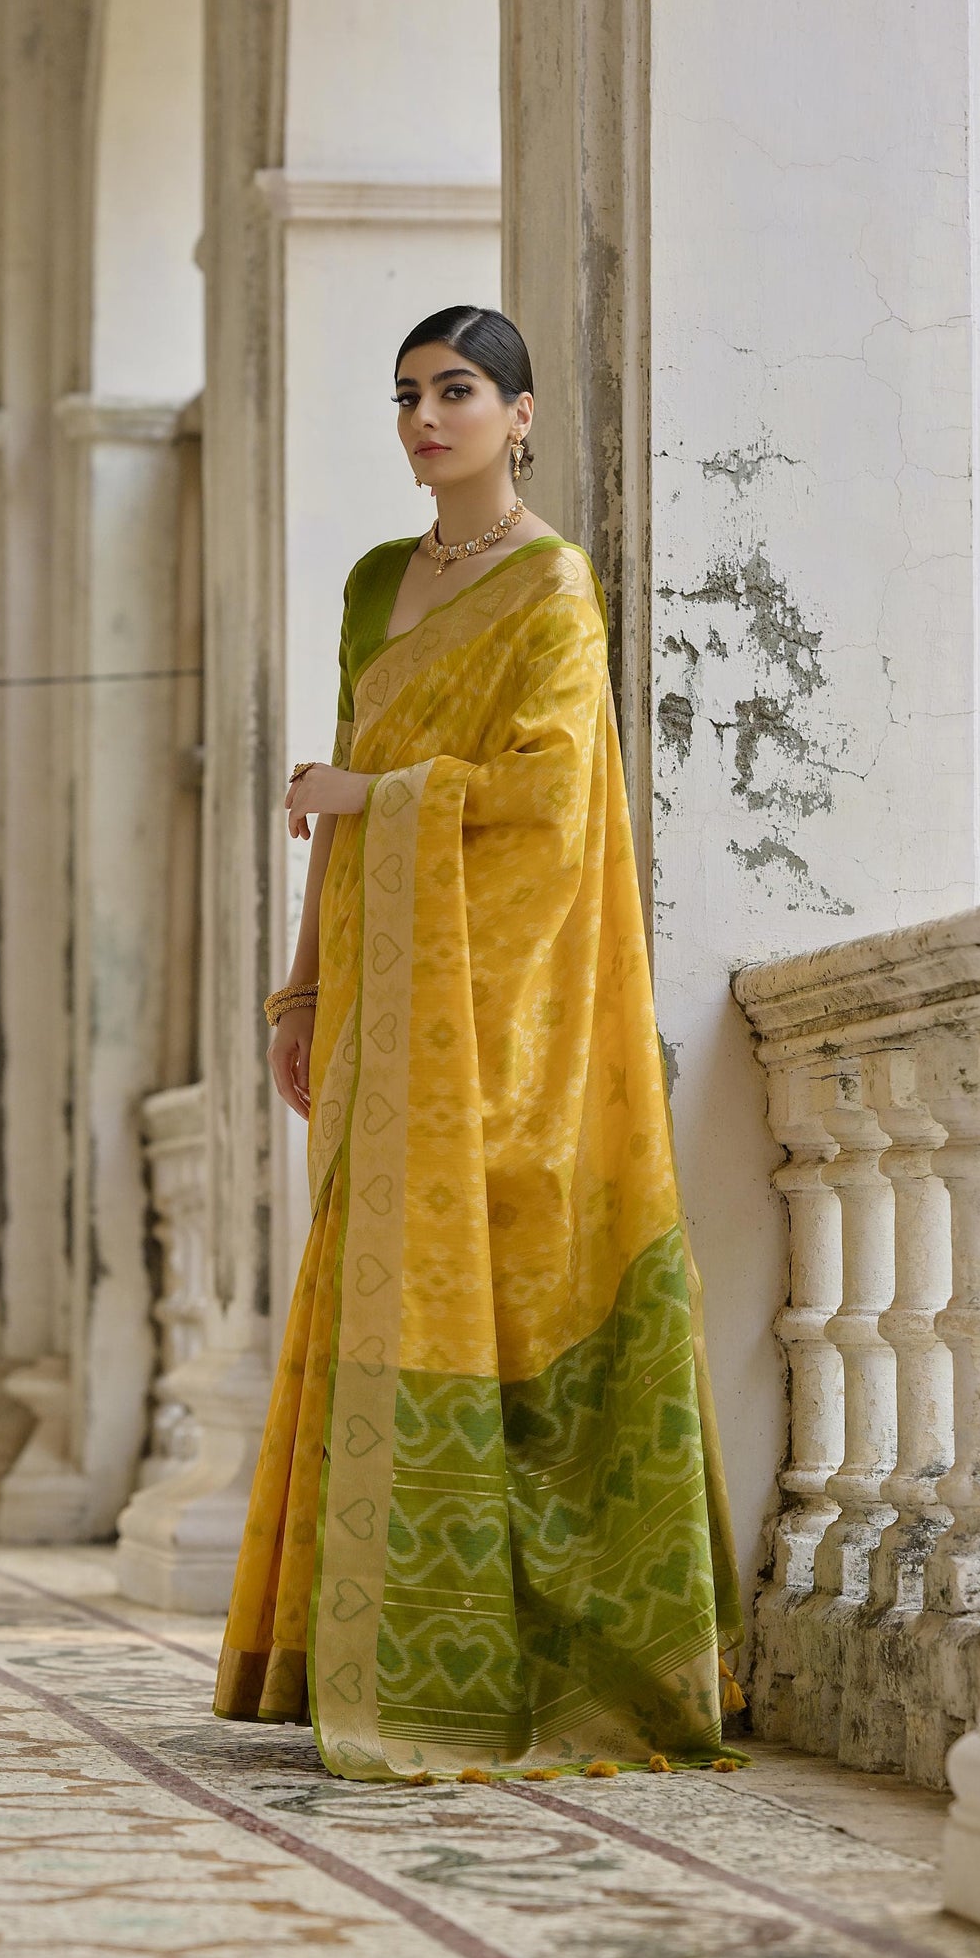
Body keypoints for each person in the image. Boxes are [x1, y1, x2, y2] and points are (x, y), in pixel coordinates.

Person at [214, 304, 744, 1782]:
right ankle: (351, 1644)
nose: (425, 419)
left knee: (502, 1297)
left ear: (520, 417)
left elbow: (547, 795)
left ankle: (519, 1654)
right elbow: (336, 796)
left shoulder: (552, 585)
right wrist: (300, 990)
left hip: (497, 1001)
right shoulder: (378, 583)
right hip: (383, 998)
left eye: (457, 392)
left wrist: (373, 801)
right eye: (405, 397)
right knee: (371, 1283)